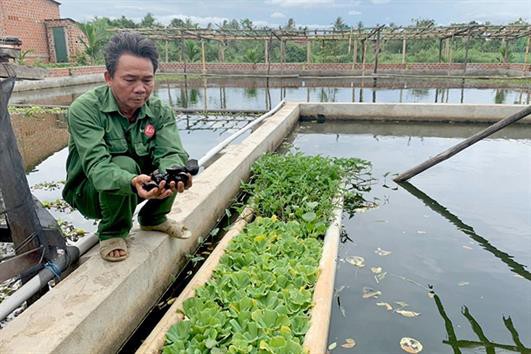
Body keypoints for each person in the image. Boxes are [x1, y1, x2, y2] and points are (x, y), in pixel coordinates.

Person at [62, 32, 192, 262]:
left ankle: (154, 218)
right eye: (130, 80)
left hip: (140, 187)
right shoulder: (84, 110)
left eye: (147, 80)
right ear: (108, 78)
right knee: (123, 165)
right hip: (90, 191)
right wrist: (130, 182)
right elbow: (98, 167)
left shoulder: (160, 110)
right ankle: (112, 232)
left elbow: (170, 151)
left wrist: (176, 173)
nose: (141, 89)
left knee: (174, 165)